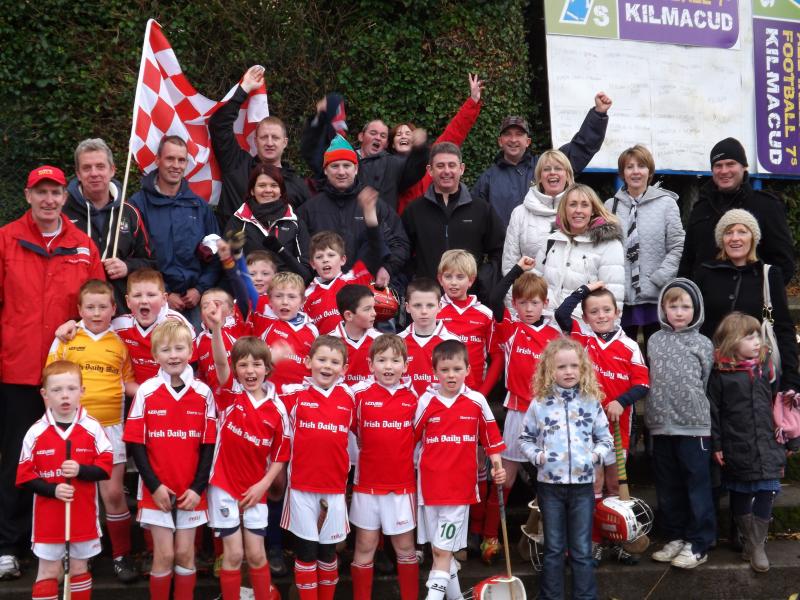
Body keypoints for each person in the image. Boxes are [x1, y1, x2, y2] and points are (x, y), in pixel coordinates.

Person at [0, 165, 104, 580]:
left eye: (56, 193)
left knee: (67, 460)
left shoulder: (82, 244)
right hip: (18, 368)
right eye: (41, 192)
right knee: (17, 460)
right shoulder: (6, 239)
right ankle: (8, 545)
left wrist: (80, 325)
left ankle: (64, 543)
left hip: (67, 376)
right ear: (28, 195)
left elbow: (96, 305)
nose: (48, 200)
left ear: (66, 197)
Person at [46, 280, 139, 583]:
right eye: (90, 307)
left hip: (111, 428)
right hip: (74, 428)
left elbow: (128, 384)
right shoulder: (66, 339)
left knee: (113, 493)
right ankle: (67, 555)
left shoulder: (120, 343)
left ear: (114, 309)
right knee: (71, 492)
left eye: (103, 307)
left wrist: (157, 391)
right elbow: (51, 382)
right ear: (79, 310)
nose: (97, 313)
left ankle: (122, 555)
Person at [554, 283, 649, 564]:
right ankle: (594, 541)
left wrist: (621, 401)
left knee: (614, 486)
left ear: (617, 312)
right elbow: (561, 313)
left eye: (607, 310)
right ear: (585, 318)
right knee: (592, 486)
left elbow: (643, 384)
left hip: (617, 429)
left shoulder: (629, 345)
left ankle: (617, 541)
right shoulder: (582, 343)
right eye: (593, 312)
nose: (601, 315)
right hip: (585, 433)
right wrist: (583, 290)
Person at [123, 320, 217, 600]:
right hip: (157, 489)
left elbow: (208, 444)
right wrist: (154, 486)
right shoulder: (146, 391)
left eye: (179, 348)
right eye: (165, 350)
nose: (173, 355)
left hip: (191, 489)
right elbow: (136, 444)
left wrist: (198, 487)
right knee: (163, 555)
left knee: (186, 553)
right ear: (155, 355)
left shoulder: (203, 393)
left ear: (191, 351)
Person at [519, 337, 613, 600]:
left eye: (574, 366)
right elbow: (524, 438)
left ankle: (586, 597)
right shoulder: (539, 403)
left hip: (583, 487)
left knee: (582, 549)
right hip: (550, 487)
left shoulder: (590, 401)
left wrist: (593, 457)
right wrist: (538, 457)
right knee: (554, 547)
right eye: (561, 367)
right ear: (550, 370)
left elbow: (605, 439)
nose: (568, 371)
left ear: (582, 369)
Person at [481, 257, 559, 563]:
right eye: (523, 303)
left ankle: (541, 535)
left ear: (545, 304)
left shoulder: (555, 335)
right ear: (515, 304)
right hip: (515, 411)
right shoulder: (511, 329)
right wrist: (517, 270)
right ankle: (490, 536)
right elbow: (491, 296)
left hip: (547, 415)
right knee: (505, 476)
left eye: (534, 303)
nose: (529, 309)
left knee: (548, 479)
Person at [414, 339, 506, 600]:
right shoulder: (425, 401)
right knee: (441, 552)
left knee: (442, 552)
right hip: (429, 489)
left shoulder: (476, 401)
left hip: (460, 490)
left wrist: (497, 467)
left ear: (468, 370)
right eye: (444, 370)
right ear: (435, 373)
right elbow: (411, 439)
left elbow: (491, 438)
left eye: (456, 369)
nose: (451, 375)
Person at [17, 361, 113, 600]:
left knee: (80, 569)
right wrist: (52, 490)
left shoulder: (92, 428)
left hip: (83, 516)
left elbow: (105, 467)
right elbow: (25, 477)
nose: (64, 396)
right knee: (48, 571)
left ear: (82, 391)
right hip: (48, 520)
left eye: (71, 388)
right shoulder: (36, 432)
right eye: (57, 390)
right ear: (45, 394)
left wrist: (81, 470)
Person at [207, 328, 289, 600]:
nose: (250, 371)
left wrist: (263, 485)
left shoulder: (277, 409)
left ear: (268, 369)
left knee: (255, 554)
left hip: (256, 488)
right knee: (234, 553)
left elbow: (280, 455)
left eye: (257, 364)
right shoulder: (230, 394)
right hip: (223, 485)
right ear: (235, 369)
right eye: (243, 365)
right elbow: (220, 361)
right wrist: (217, 330)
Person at [646, 279, 716, 569]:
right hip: (661, 425)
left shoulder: (703, 343)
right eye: (672, 306)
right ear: (663, 308)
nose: (678, 312)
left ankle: (698, 542)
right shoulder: (654, 341)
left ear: (695, 309)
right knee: (668, 483)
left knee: (696, 483)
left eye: (685, 306)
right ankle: (674, 536)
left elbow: (706, 380)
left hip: (694, 426)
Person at [710, 313, 786, 573]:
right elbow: (715, 412)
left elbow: (774, 401)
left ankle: (757, 546)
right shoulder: (721, 374)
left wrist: (782, 428)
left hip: (766, 441)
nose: (757, 341)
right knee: (741, 492)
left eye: (757, 336)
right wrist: (718, 444)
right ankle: (751, 543)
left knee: (767, 489)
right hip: (737, 442)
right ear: (732, 342)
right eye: (749, 336)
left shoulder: (766, 367)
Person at [280, 336, 355, 600]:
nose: (327, 366)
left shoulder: (350, 398)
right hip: (301, 488)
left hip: (334, 490)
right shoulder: (293, 395)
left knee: (327, 554)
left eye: (335, 362)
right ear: (308, 361)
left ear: (344, 369)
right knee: (307, 553)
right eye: (321, 360)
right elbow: (261, 400)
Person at [693, 209, 800, 392]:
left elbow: (781, 326)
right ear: (722, 239)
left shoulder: (768, 276)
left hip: (756, 378)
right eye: (729, 232)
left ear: (753, 238)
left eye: (742, 231)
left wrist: (791, 379)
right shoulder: (706, 273)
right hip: (713, 375)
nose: (735, 238)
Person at [472, 92, 612, 226]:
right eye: (508, 134)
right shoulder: (487, 179)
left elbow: (582, 147)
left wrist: (598, 115)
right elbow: (475, 219)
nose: (513, 139)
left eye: (519, 134)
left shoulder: (546, 166)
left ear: (528, 141)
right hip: (504, 249)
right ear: (500, 141)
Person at [350, 334, 420, 600]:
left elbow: (418, 434)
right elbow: (351, 428)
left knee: (404, 547)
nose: (388, 366)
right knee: (365, 544)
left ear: (405, 365)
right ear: (370, 365)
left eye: (395, 360)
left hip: (401, 486)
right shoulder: (358, 395)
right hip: (367, 485)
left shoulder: (414, 398)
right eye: (381, 360)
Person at [130, 135, 221, 330]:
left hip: (195, 302)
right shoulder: (137, 205)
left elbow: (216, 254)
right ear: (157, 160)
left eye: (181, 160)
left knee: (196, 356)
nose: (176, 165)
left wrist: (199, 289)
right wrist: (164, 293)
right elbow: (135, 257)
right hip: (154, 303)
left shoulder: (199, 207)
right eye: (170, 158)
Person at [678, 137, 795, 285]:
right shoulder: (700, 209)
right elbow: (687, 263)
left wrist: (758, 298)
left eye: (730, 164)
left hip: (751, 306)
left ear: (744, 167)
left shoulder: (766, 206)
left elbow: (783, 265)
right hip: (705, 304)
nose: (724, 171)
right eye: (718, 165)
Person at [298, 136, 408, 290]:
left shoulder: (375, 205)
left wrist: (388, 268)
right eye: (335, 166)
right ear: (325, 170)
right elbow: (302, 252)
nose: (341, 172)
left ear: (356, 169)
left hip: (366, 291)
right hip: (323, 293)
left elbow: (399, 243)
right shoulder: (309, 209)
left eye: (347, 165)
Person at [402, 142, 505, 302]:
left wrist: (481, 279)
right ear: (430, 170)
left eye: (452, 165)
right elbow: (402, 253)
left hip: (471, 301)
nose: (447, 171)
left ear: (461, 168)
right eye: (440, 166)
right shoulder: (414, 210)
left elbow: (499, 250)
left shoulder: (481, 209)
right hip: (427, 303)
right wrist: (416, 280)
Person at [605, 145, 684, 350]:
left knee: (656, 352)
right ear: (622, 173)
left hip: (655, 293)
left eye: (641, 166)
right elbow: (603, 248)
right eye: (629, 167)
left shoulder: (667, 204)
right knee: (623, 352)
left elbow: (677, 245)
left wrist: (660, 278)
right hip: (621, 295)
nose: (635, 171)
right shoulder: (609, 206)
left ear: (649, 171)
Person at [64, 138, 157, 312]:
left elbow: (152, 263)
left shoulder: (130, 213)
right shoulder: (62, 213)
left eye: (100, 166)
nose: (94, 173)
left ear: (112, 170)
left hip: (120, 313)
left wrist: (127, 266)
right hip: (73, 315)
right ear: (78, 174)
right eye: (86, 168)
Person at [209, 65, 309, 225]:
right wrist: (244, 89)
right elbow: (218, 125)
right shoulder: (237, 165)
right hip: (234, 248)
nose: (269, 143)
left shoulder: (298, 185)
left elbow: (306, 230)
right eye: (264, 137)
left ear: (285, 143)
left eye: (275, 137)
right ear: (255, 141)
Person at [301, 104, 429, 213]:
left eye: (383, 135)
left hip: (381, 231)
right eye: (373, 133)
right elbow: (313, 153)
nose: (378, 138)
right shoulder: (342, 157)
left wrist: (420, 149)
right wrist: (318, 120)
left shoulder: (394, 163)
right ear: (361, 136)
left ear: (386, 144)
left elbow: (415, 171)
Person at [392, 73, 483, 214]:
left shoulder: (432, 158)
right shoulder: (386, 166)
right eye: (398, 134)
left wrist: (472, 101)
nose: (403, 136)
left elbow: (454, 132)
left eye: (408, 133)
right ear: (392, 143)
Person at [535, 183, 624, 318]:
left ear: (593, 210)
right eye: (572, 204)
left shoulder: (609, 244)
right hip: (548, 323)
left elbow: (614, 295)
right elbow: (535, 285)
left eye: (584, 205)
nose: (578, 210)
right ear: (564, 209)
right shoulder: (551, 240)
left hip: (585, 327)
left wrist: (607, 332)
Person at [223, 163, 312, 281]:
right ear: (252, 191)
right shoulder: (238, 220)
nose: (268, 190)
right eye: (262, 185)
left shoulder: (295, 222)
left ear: (281, 191)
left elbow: (306, 274)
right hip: (251, 293)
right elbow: (228, 266)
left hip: (285, 293)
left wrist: (280, 251)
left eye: (274, 185)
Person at [502, 149, 575, 290]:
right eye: (547, 169)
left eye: (558, 168)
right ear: (539, 177)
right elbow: (510, 266)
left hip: (569, 302)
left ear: (568, 175)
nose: (552, 172)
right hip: (530, 301)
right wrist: (515, 308)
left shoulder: (580, 212)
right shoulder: (520, 213)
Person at [303, 231, 380, 336]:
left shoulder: (355, 279)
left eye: (331, 255)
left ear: (343, 260)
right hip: (327, 350)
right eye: (319, 257)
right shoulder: (306, 295)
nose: (325, 260)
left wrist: (372, 223)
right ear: (312, 264)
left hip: (360, 346)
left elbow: (376, 249)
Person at [258, 272, 318, 392]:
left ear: (302, 301)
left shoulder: (312, 329)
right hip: (269, 395)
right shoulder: (263, 322)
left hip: (299, 397)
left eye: (291, 297)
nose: (285, 301)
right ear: (269, 300)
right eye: (278, 296)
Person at [398, 278, 459, 397]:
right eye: (417, 305)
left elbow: (464, 387)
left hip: (440, 412)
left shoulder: (453, 343)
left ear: (440, 306)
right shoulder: (397, 342)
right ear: (407, 307)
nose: (424, 311)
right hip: (405, 412)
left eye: (430, 305)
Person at [330, 285, 381, 386]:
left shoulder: (381, 341)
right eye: (367, 309)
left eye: (373, 307)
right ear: (349, 315)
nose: (374, 313)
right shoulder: (329, 343)